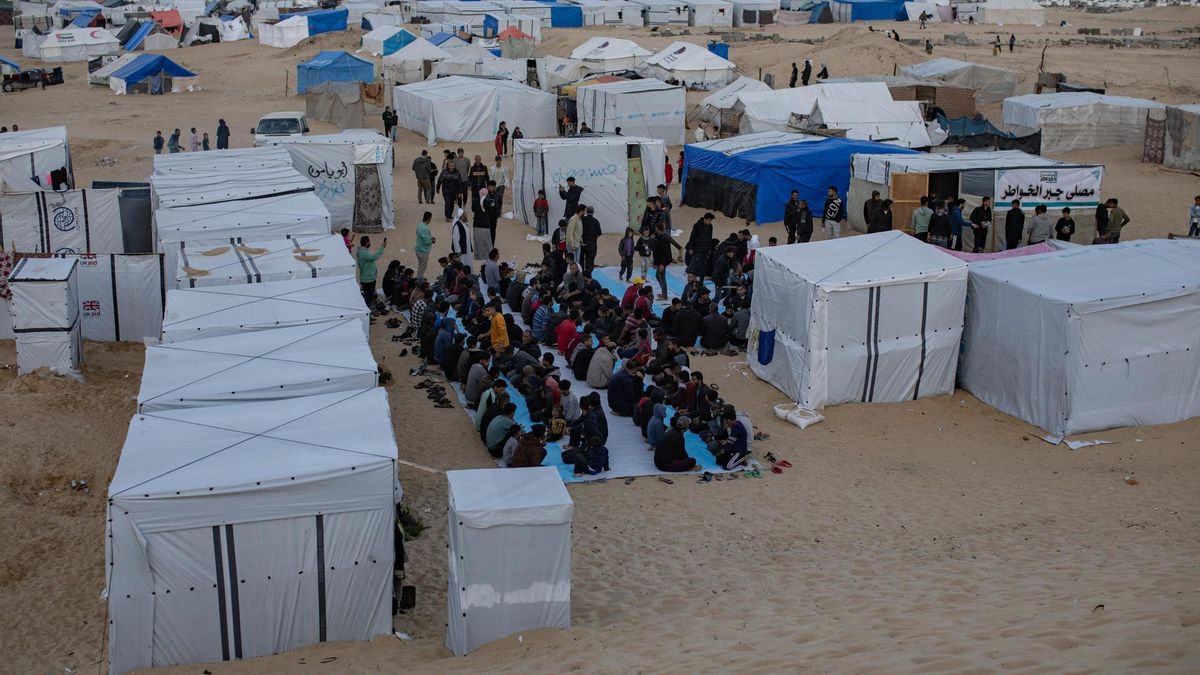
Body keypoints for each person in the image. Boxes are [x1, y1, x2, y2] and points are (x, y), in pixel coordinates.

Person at [356, 235, 387, 308]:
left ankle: (368, 309)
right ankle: (367, 311)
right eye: (369, 241)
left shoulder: (361, 252)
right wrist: (382, 247)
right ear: (366, 242)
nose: (370, 242)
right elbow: (374, 257)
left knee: (368, 295)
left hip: (366, 278)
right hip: (368, 279)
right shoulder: (364, 253)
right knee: (368, 297)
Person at [686, 212, 715, 280]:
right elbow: (692, 237)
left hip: (706, 249)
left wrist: (710, 248)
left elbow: (710, 237)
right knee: (697, 266)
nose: (710, 222)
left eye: (711, 221)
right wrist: (691, 248)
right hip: (698, 249)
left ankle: (701, 282)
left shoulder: (710, 226)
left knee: (704, 266)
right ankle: (694, 281)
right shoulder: (697, 225)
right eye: (709, 220)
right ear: (705, 219)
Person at [581, 205, 602, 275]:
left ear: (586, 211)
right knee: (590, 260)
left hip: (582, 243)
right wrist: (595, 238)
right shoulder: (596, 221)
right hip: (592, 243)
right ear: (593, 212)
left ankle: (581, 274)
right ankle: (588, 275)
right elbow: (599, 233)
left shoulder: (582, 220)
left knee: (581, 259)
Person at [414, 211, 434, 280]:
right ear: (429, 218)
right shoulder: (425, 228)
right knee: (422, 267)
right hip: (423, 251)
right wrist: (432, 240)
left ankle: (420, 278)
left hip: (418, 248)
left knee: (420, 266)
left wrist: (430, 238)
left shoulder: (419, 225)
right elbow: (426, 241)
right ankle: (419, 280)